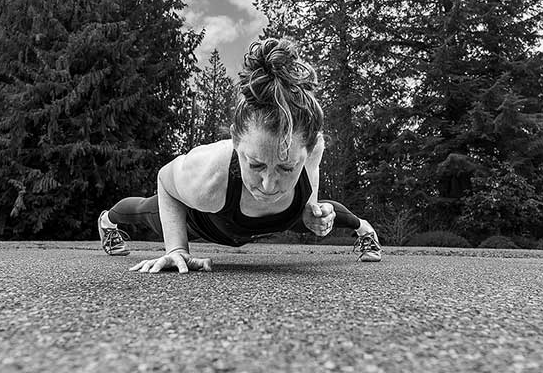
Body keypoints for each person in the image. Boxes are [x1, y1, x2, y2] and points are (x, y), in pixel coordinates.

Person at [97, 38, 382, 273]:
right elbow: (164, 179)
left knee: (323, 208)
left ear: (306, 150)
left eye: (286, 167)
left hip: (278, 215)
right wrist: (176, 249)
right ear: (235, 141)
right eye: (256, 164)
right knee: (146, 209)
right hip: (207, 221)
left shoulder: (312, 147)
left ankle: (365, 229)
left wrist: (310, 206)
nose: (269, 185)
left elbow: (312, 170)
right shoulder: (207, 175)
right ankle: (107, 221)